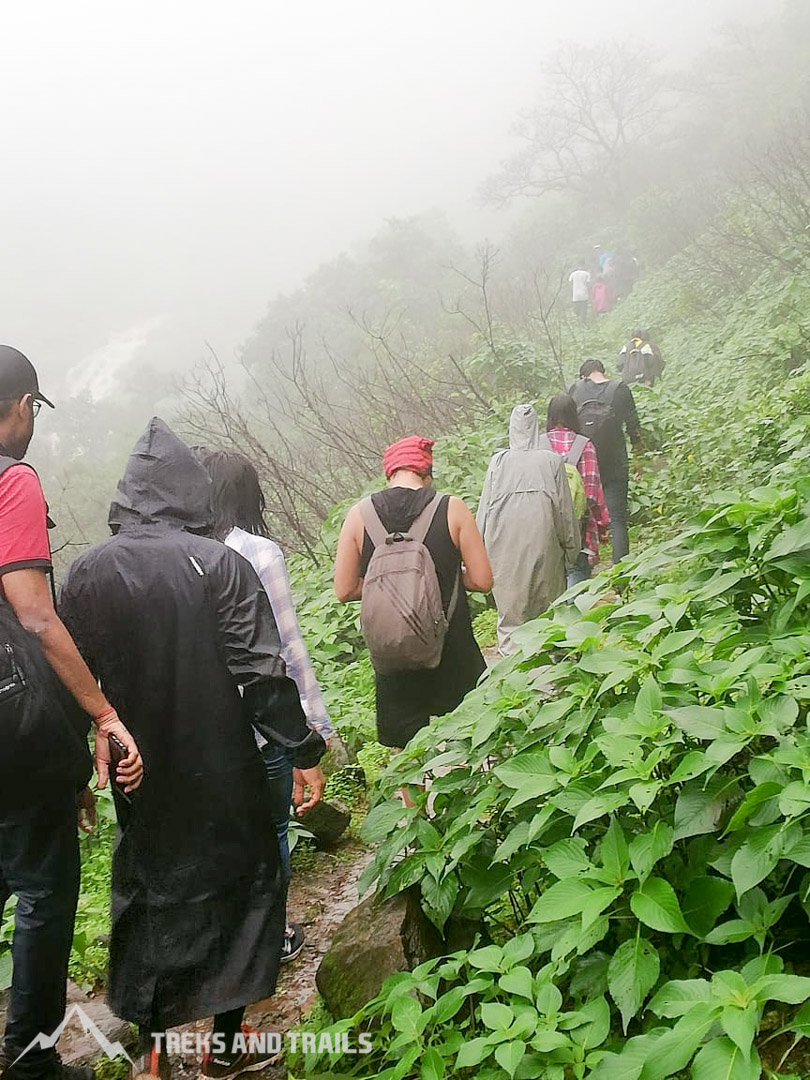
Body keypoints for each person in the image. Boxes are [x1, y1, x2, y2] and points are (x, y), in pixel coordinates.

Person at [59, 419, 326, 1080]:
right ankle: (225, 1048)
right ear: (191, 492)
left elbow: (71, 682)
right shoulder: (221, 564)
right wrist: (304, 749)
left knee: (147, 890)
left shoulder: (88, 571)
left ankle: (152, 1058)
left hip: (136, 769)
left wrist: (74, 775)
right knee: (242, 888)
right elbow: (262, 675)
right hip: (223, 763)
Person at [0, 346, 143, 1080]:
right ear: (23, 405)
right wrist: (101, 710)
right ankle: (31, 1059)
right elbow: (34, 615)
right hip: (15, 739)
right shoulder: (13, 477)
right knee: (44, 894)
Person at [201, 449, 331, 966]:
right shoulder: (255, 552)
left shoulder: (180, 553)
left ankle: (229, 943)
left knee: (222, 839)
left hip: (200, 729)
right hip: (260, 722)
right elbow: (286, 649)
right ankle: (270, 939)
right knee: (273, 828)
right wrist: (311, 732)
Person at [334, 436, 491, 751]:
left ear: (389, 474)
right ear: (427, 473)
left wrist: (390, 583)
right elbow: (483, 580)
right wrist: (440, 576)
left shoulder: (359, 515)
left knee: (406, 754)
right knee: (473, 734)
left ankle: (415, 801)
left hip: (395, 654)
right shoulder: (452, 508)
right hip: (452, 647)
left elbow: (344, 589)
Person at [476, 405, 580, 653]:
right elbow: (565, 513)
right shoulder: (552, 462)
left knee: (511, 622)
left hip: (502, 551)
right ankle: (550, 682)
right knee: (548, 619)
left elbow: (483, 512)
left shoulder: (498, 463)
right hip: (545, 549)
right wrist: (572, 552)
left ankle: (513, 680)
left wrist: (477, 555)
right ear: (536, 428)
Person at [569, 359, 643, 564]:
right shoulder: (620, 389)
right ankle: (621, 576)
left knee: (580, 518)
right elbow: (633, 427)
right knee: (618, 519)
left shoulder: (575, 390)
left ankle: (581, 570)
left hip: (583, 463)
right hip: (615, 461)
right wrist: (638, 459)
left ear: (583, 376)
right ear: (603, 372)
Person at [541, 394, 610, 587]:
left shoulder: (538, 446)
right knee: (576, 583)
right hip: (580, 531)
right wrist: (603, 525)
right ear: (574, 416)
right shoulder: (584, 445)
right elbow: (591, 493)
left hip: (544, 531)